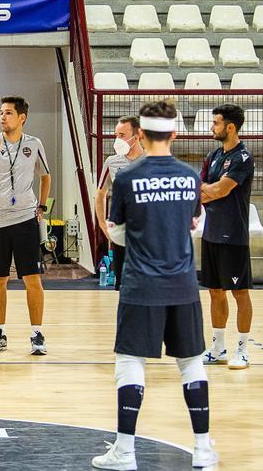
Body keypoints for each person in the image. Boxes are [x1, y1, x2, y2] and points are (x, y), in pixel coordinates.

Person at [92, 100, 218, 470]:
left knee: (130, 362)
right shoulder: (190, 176)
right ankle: (202, 450)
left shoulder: (128, 178)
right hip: (182, 284)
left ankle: (125, 452)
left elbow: (116, 232)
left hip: (141, 285)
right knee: (192, 364)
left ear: (141, 135)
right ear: (175, 133)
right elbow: (197, 225)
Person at [0, 96, 51, 355]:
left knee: (32, 278)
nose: (2, 117)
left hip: (26, 219)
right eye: (1, 112)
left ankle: (37, 333)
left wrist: (41, 206)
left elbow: (45, 175)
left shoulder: (34, 144)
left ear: (22, 117)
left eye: (8, 113)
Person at [200, 104, 256, 370]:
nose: (213, 127)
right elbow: (201, 191)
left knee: (239, 292)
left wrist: (210, 189)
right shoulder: (212, 156)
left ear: (230, 127)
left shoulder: (243, 158)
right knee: (214, 291)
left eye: (216, 123)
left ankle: (243, 349)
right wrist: (210, 189)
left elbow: (222, 190)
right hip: (211, 232)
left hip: (233, 235)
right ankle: (218, 347)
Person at [95, 115, 144, 289]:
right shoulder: (112, 162)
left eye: (122, 135)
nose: (117, 140)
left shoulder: (151, 160)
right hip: (120, 230)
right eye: (116, 135)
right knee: (122, 285)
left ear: (137, 136)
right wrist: (102, 224)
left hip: (146, 233)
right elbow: (100, 194)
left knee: (145, 284)